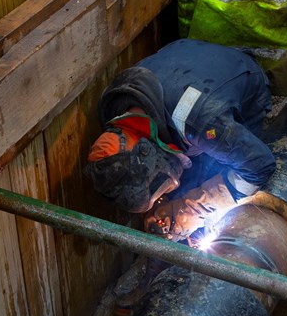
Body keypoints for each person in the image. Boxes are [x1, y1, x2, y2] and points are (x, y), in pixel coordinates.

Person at [84, 38, 276, 243]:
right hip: (186, 53)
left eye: (163, 187)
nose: (170, 188)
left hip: (243, 75)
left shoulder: (203, 124)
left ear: (146, 155)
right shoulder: (117, 107)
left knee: (223, 166)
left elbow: (260, 166)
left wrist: (194, 208)